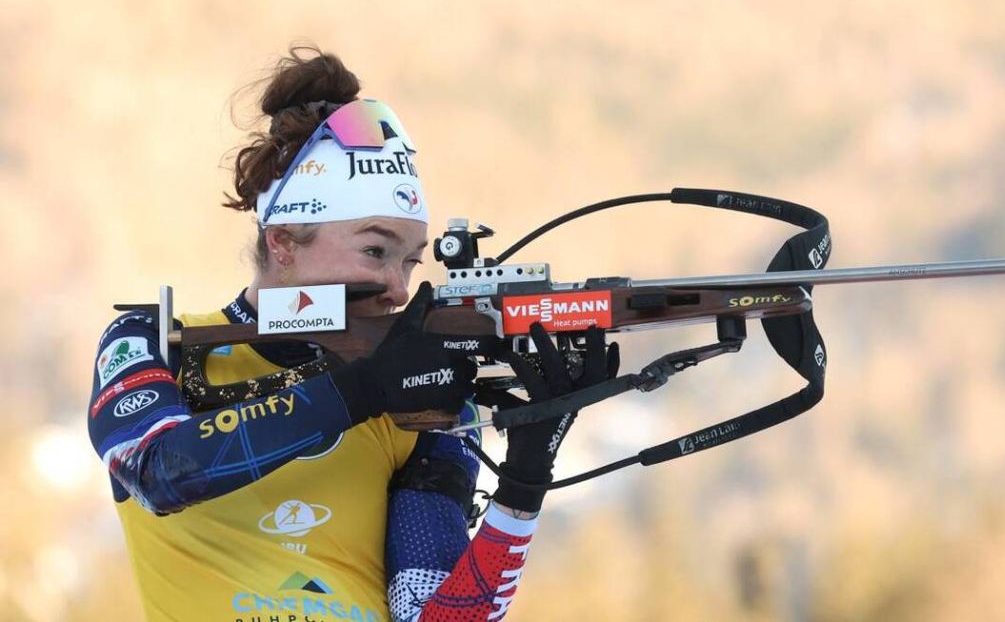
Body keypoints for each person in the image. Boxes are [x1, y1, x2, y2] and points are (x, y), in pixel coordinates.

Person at [87, 46, 618, 622]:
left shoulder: (418, 402)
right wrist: (366, 389)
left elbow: (433, 613)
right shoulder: (154, 341)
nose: (396, 287)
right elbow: (164, 471)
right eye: (374, 251)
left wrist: (525, 475)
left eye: (412, 262)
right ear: (283, 241)